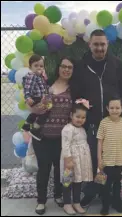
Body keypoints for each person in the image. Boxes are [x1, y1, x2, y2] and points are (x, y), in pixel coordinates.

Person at [70, 29, 122, 207]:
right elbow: (75, 93)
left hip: (114, 122)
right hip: (90, 123)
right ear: (89, 45)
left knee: (115, 161)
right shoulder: (81, 66)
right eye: (96, 44)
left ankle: (114, 197)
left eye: (102, 44)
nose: (99, 48)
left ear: (107, 45)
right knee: (93, 159)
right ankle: (92, 192)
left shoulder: (118, 65)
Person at [27, 57, 75, 215]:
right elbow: (34, 106)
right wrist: (35, 108)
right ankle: (41, 201)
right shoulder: (45, 85)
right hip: (42, 137)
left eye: (70, 67)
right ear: (58, 68)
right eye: (64, 66)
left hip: (62, 138)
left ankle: (58, 195)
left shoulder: (74, 89)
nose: (66, 69)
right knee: (44, 169)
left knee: (60, 170)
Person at [97, 96, 122, 215]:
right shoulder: (104, 123)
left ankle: (116, 202)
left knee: (117, 182)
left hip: (119, 160)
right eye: (112, 108)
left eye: (117, 108)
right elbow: (99, 142)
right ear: (107, 108)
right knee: (105, 184)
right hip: (107, 161)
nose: (114, 110)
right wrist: (99, 159)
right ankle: (105, 205)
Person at [61, 99, 93, 215]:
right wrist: (68, 160)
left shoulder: (82, 129)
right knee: (67, 181)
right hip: (70, 161)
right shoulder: (67, 129)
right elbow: (65, 145)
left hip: (80, 161)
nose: (80, 120)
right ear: (71, 115)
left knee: (78, 181)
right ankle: (67, 203)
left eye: (83, 118)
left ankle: (76, 202)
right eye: (77, 117)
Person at [22, 54, 51, 141]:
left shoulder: (40, 76)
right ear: (30, 67)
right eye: (36, 65)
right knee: (46, 111)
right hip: (35, 98)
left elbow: (44, 87)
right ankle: (35, 129)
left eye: (41, 66)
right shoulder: (32, 76)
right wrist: (28, 98)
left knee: (35, 113)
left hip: (40, 97)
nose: (39, 68)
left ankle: (26, 125)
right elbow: (27, 88)